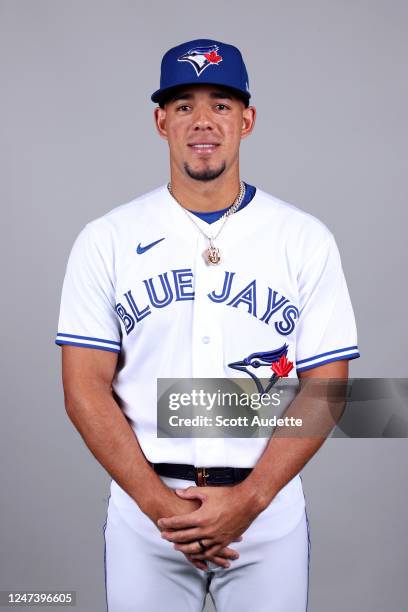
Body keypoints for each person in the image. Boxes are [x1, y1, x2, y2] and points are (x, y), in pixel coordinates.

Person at [55, 38, 360, 611]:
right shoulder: (107, 239)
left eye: (220, 104)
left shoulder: (303, 238)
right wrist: (160, 507)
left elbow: (329, 384)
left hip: (264, 514)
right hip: (147, 514)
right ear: (160, 121)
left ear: (246, 120)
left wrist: (251, 499)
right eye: (183, 104)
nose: (202, 120)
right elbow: (83, 388)